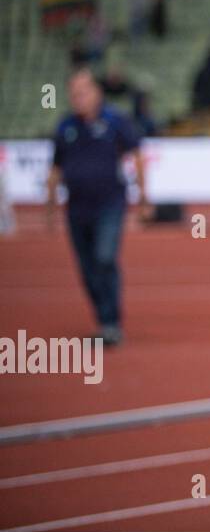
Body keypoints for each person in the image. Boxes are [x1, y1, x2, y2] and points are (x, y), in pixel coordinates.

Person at [47, 68, 149, 344]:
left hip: (110, 204)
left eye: (83, 92)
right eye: (73, 93)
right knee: (87, 267)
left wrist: (142, 199)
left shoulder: (115, 120)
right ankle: (104, 320)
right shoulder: (65, 126)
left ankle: (112, 323)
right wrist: (50, 207)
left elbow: (137, 154)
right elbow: (55, 168)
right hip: (77, 209)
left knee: (104, 258)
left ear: (96, 92)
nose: (78, 98)